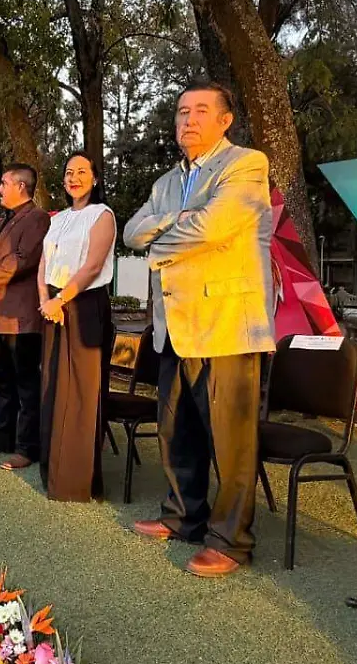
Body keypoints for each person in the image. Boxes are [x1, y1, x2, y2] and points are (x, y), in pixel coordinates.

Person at [123, 82, 275, 578]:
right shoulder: (167, 181)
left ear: (225, 119)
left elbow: (214, 227)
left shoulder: (245, 164)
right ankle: (182, 517)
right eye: (182, 111)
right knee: (176, 429)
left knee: (230, 441)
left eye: (200, 111)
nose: (188, 119)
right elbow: (130, 230)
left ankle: (231, 540)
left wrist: (160, 241)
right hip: (174, 323)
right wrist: (178, 216)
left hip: (228, 322)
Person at [36, 152, 117, 502]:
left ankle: (77, 482)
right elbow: (44, 262)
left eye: (82, 172)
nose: (74, 177)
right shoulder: (59, 218)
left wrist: (62, 299)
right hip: (53, 305)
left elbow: (92, 264)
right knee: (54, 386)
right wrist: (45, 299)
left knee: (81, 393)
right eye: (69, 172)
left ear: (95, 178)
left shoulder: (103, 215)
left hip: (83, 306)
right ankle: (52, 471)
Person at [0, 164, 51, 470]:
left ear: (21, 187)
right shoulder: (5, 219)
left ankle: (28, 448)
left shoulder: (37, 218)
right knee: (2, 379)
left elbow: (22, 260)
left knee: (26, 383)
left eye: (3, 183)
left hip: (21, 317)